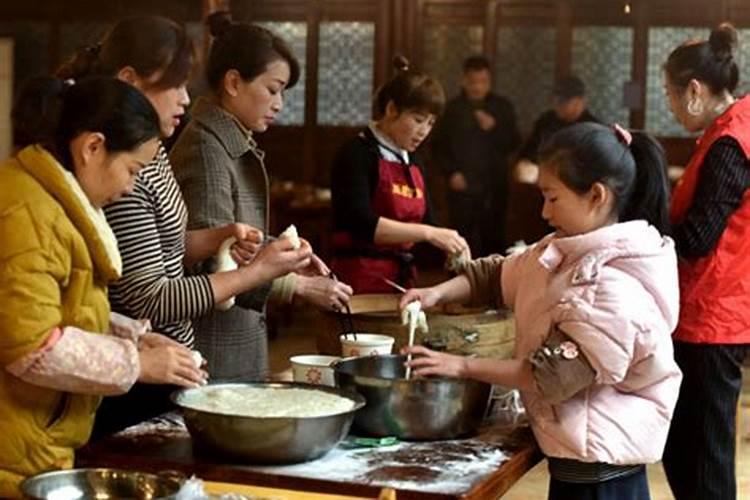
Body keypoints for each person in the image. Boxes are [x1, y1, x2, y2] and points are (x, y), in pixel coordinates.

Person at [57, 16, 313, 438]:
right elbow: (147, 297)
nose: (185, 97)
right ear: (129, 81)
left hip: (161, 357)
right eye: (174, 84)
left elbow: (161, 248)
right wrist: (255, 273)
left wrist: (216, 237)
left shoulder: (152, 151)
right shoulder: (117, 163)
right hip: (139, 372)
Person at [401, 122, 682, 500]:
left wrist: (460, 366)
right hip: (576, 458)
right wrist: (436, 293)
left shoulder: (612, 287)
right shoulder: (563, 251)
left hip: (603, 471)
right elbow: (497, 274)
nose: (544, 212)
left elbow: (549, 377)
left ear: (596, 195)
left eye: (552, 197)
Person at [0, 76, 206, 496]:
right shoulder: (28, 211)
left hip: (34, 439)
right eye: (132, 170)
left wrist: (134, 336)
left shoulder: (55, 203)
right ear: (92, 147)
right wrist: (135, 364)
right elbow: (31, 346)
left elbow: (62, 309)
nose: (130, 186)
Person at [169, 13, 353, 380]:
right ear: (234, 82)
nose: (279, 103)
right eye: (273, 89)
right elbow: (212, 258)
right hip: (213, 343)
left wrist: (288, 257)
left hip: (235, 337)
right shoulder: (206, 148)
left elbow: (235, 239)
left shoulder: (227, 141)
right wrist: (297, 286)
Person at [660, 23, 750, 500]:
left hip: (712, 317)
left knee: (705, 456)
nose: (671, 107)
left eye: (671, 96)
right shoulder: (736, 126)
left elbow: (697, 237)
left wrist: (639, 227)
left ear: (694, 90)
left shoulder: (729, 143)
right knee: (686, 448)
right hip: (716, 309)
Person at [330, 56, 470, 294]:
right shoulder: (356, 153)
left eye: (430, 123)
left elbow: (427, 221)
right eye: (417, 120)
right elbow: (361, 223)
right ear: (392, 109)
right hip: (358, 278)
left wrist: (453, 247)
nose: (423, 131)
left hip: (401, 278)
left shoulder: (413, 160)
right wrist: (430, 234)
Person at [431, 55, 521, 257]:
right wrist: (451, 172)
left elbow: (513, 143)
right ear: (464, 80)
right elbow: (437, 147)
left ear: (490, 81)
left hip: (494, 186)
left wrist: (494, 128)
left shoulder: (502, 107)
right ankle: (458, 283)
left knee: (494, 236)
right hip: (461, 184)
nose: (478, 87)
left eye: (483, 82)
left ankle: (494, 284)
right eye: (473, 82)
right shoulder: (452, 109)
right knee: (460, 238)